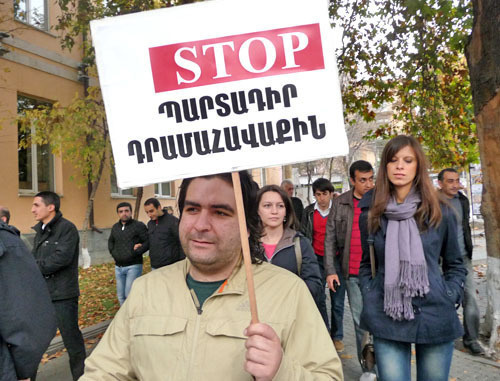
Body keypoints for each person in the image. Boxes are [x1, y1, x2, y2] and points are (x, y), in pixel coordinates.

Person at [81, 171, 343, 380]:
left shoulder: (289, 292)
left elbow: (327, 375)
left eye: (220, 212)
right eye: (192, 210)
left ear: (248, 226)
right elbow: (104, 371)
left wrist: (283, 372)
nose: (201, 225)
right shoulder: (146, 289)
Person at [358, 135, 466, 381]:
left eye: (408, 160)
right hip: (387, 314)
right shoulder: (372, 214)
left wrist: (450, 294)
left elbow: (455, 264)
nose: (400, 166)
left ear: (418, 167)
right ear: (385, 166)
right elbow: (367, 263)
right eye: (393, 160)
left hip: (436, 313)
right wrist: (370, 292)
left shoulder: (441, 211)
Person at [325, 160, 375, 381]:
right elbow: (330, 239)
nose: (368, 184)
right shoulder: (341, 203)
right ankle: (369, 369)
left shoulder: (380, 200)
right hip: (353, 273)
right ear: (352, 181)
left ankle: (386, 364)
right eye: (362, 180)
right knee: (360, 323)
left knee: (381, 322)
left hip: (379, 274)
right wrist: (330, 270)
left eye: (371, 178)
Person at [31, 191, 86, 380]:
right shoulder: (40, 230)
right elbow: (34, 257)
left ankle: (81, 377)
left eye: (36, 205)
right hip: (42, 295)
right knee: (32, 342)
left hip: (63, 295)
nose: (32, 210)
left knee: (72, 342)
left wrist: (31, 267)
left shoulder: (67, 229)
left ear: (51, 207)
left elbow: (60, 259)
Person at [0, 218, 57, 381]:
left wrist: (22, 371)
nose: (33, 210)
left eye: (37, 205)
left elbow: (27, 319)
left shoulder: (7, 242)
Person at [438, 168, 484, 355]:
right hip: (440, 260)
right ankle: (443, 337)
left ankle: (471, 339)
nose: (455, 184)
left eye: (457, 180)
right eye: (450, 181)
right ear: (440, 183)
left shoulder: (462, 200)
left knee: (471, 298)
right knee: (443, 299)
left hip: (463, 258)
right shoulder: (433, 202)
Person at [256, 184, 323, 313]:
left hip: (292, 316)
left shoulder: (300, 243)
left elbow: (314, 284)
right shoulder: (248, 246)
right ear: (258, 211)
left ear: (286, 210)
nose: (274, 211)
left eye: (280, 206)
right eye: (267, 206)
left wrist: (289, 299)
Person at [301, 177, 335, 328]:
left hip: (335, 260)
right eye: (318, 194)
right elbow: (303, 233)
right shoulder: (308, 212)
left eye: (325, 194)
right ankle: (324, 331)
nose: (322, 198)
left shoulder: (337, 210)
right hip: (316, 259)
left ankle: (337, 336)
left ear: (331, 194)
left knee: (338, 301)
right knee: (319, 296)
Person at [108, 202, 149, 305]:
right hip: (118, 267)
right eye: (121, 211)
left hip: (133, 266)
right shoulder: (115, 227)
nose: (124, 213)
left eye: (126, 211)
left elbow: (148, 241)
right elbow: (111, 242)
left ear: (131, 212)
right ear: (118, 213)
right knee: (121, 296)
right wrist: (114, 253)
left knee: (129, 294)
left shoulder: (138, 226)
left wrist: (138, 251)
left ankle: (134, 317)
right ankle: (125, 319)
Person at [144, 198, 185, 270]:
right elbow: (150, 242)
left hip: (170, 266)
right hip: (154, 265)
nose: (149, 215)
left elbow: (182, 242)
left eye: (151, 211)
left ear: (159, 207)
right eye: (147, 212)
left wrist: (181, 263)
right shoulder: (150, 224)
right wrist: (140, 246)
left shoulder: (173, 222)